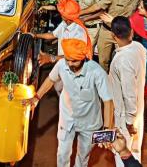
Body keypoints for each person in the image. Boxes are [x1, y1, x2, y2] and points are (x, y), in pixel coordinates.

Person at [22, 38, 114, 167]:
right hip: (67, 119)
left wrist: (107, 131)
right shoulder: (62, 65)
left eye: (74, 61)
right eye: (68, 59)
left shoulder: (97, 72)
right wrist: (37, 97)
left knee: (83, 157)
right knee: (62, 154)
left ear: (83, 58)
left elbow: (108, 101)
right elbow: (50, 79)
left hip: (90, 123)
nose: (70, 64)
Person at [81, 0, 143, 71]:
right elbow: (98, 7)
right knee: (103, 60)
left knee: (123, 60)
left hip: (123, 33)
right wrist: (80, 13)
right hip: (107, 32)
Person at [109, 16, 146, 166]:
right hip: (138, 109)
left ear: (113, 36)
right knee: (135, 150)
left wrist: (129, 122)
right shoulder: (138, 47)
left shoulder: (122, 60)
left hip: (126, 115)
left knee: (122, 152)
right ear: (131, 32)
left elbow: (128, 93)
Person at [129, 0, 147, 87]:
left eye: (141, 7)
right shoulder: (137, 18)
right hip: (146, 56)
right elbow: (125, 24)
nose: (138, 8)